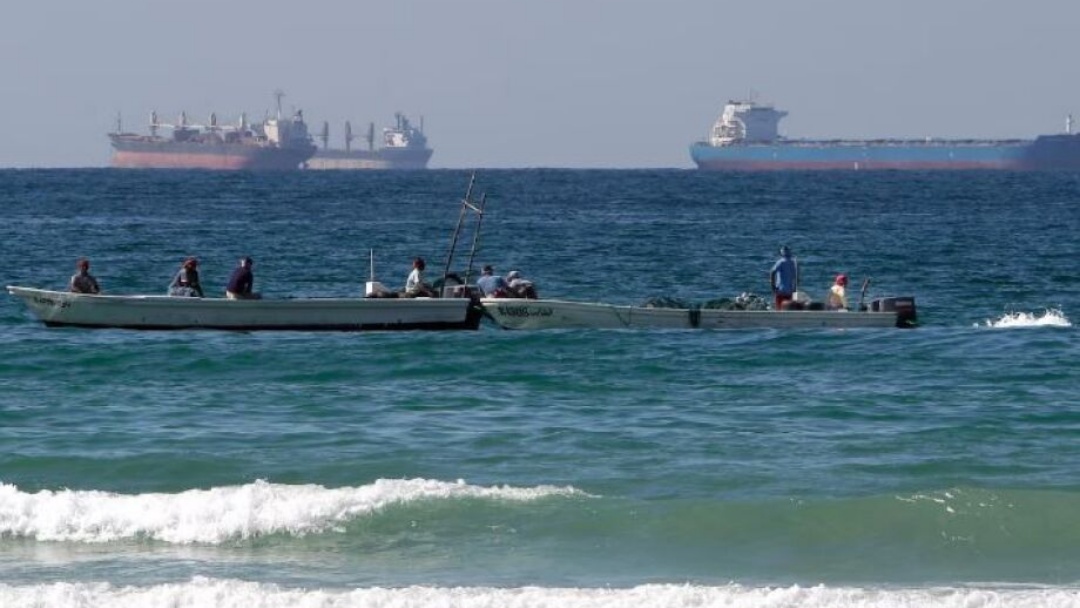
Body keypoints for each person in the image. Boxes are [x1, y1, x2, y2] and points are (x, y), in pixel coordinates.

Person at [769, 245, 798, 310]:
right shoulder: (794, 262)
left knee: (779, 309)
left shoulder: (780, 262)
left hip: (781, 290)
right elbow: (796, 278)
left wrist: (772, 285)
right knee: (789, 309)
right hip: (791, 290)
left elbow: (772, 272)